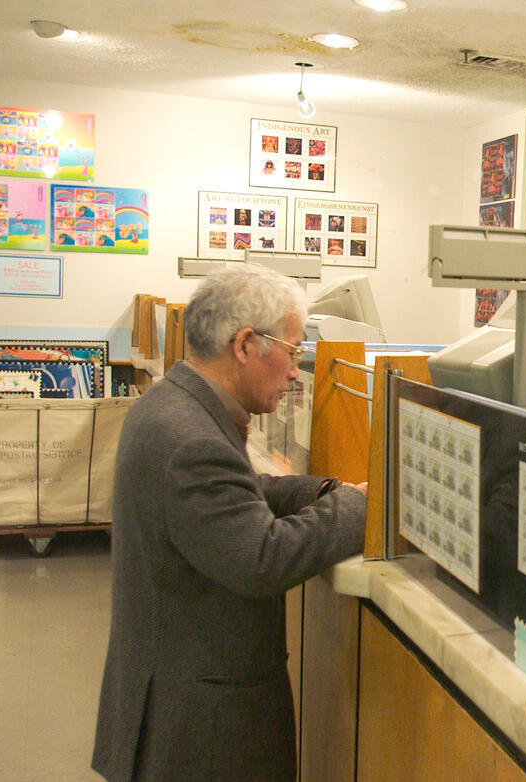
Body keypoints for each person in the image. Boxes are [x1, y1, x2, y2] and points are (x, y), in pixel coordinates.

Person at [92, 264, 367, 781]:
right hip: (201, 733)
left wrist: (323, 491)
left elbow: (238, 493)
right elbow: (262, 558)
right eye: (293, 352)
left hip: (176, 705)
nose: (295, 372)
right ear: (245, 345)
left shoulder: (175, 405)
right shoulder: (191, 438)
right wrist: (356, 508)